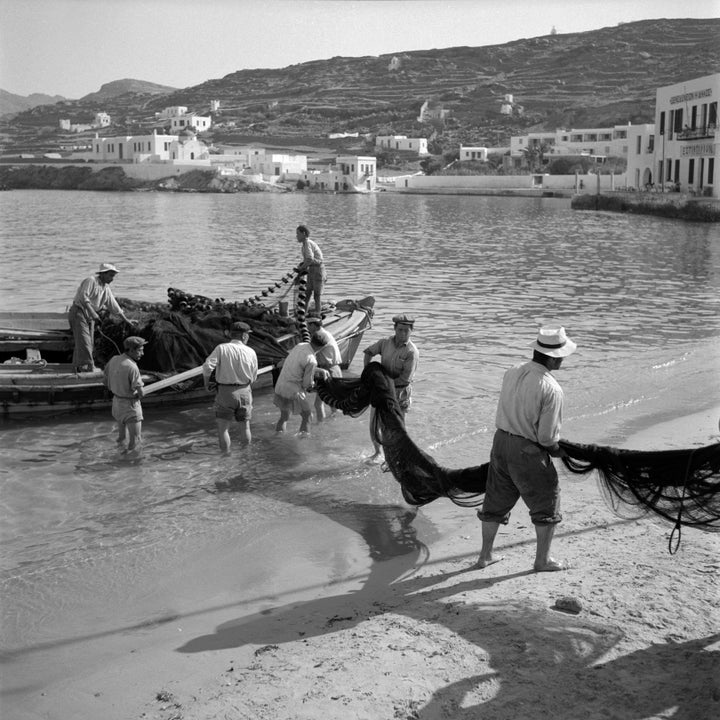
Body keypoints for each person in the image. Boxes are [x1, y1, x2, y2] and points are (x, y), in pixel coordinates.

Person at [475, 326, 577, 573]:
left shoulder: (512, 371)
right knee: (546, 501)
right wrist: (557, 450)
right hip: (527, 450)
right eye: (561, 355)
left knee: (495, 499)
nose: (563, 359)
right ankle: (542, 560)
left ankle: (485, 555)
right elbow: (546, 437)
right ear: (552, 357)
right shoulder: (552, 389)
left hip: (500, 442)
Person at [363, 314, 419, 461]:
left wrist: (383, 384)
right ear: (394, 329)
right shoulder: (385, 343)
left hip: (400, 392)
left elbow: (404, 378)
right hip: (381, 390)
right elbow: (368, 352)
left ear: (411, 331)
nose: (403, 334)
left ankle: (399, 456)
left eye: (406, 330)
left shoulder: (411, 352)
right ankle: (378, 452)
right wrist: (367, 372)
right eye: (400, 330)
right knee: (374, 424)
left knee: (397, 427)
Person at [202, 321, 258, 454]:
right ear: (244, 336)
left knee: (223, 429)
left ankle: (226, 458)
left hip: (225, 392)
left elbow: (207, 367)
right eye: (248, 335)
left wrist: (206, 384)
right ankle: (245, 456)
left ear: (231, 334)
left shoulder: (221, 348)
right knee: (245, 428)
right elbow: (254, 376)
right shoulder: (251, 351)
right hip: (245, 391)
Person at [69, 263, 136, 373]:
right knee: (85, 342)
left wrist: (126, 320)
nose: (112, 279)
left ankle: (78, 366)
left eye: (113, 276)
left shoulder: (106, 288)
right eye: (110, 275)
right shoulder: (91, 281)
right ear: (103, 274)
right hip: (78, 313)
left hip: (89, 317)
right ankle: (88, 367)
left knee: (84, 341)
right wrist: (93, 313)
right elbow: (83, 297)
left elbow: (114, 306)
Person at [273, 336, 329, 436]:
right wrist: (315, 387)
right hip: (293, 390)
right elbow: (306, 384)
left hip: (281, 385)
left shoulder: (299, 346)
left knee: (284, 416)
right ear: (322, 347)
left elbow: (298, 365)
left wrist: (319, 370)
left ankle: (278, 438)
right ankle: (303, 443)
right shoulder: (312, 360)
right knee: (307, 416)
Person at [103, 335, 147, 455]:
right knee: (136, 441)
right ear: (131, 350)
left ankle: (115, 456)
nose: (142, 354)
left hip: (117, 403)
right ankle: (127, 467)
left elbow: (105, 380)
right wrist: (139, 393)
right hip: (130, 406)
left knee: (122, 438)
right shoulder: (132, 367)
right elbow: (141, 393)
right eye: (140, 350)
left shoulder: (114, 359)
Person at [306, 315, 342, 421]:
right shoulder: (325, 333)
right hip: (334, 369)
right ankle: (334, 422)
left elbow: (309, 353)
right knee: (333, 403)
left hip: (328, 371)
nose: (307, 328)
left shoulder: (319, 335)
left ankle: (320, 426)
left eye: (308, 325)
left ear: (313, 325)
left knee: (318, 404)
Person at [295, 224, 326, 314]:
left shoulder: (308, 243)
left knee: (317, 295)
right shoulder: (304, 244)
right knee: (307, 293)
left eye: (298, 234)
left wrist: (302, 267)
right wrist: (302, 264)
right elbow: (307, 260)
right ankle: (304, 314)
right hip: (311, 270)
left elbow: (309, 259)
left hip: (318, 270)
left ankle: (317, 315)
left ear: (304, 234)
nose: (296, 236)